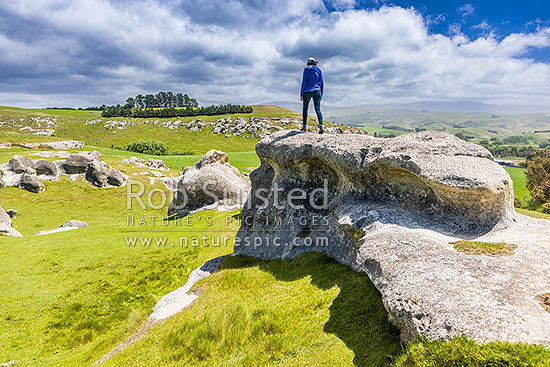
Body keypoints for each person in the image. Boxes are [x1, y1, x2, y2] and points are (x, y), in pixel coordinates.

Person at [300, 57, 324, 134]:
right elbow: (322, 83)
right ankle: (321, 126)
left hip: (307, 91)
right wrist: (321, 94)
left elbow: (304, 82)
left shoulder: (306, 70)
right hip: (317, 91)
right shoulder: (319, 70)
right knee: (317, 109)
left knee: (305, 109)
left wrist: (301, 94)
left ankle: (304, 127)